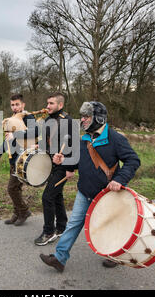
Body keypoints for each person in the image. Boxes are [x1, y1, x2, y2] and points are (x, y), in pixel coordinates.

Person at [39, 101, 141, 272]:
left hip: (107, 194)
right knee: (73, 224)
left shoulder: (115, 139)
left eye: (86, 116)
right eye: (82, 116)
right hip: (84, 191)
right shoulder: (85, 138)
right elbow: (79, 161)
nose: (83, 120)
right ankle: (59, 258)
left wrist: (120, 179)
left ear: (98, 118)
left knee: (109, 225)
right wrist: (64, 162)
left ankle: (115, 255)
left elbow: (133, 160)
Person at [34, 92, 75, 246]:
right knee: (56, 196)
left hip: (63, 166)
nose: (48, 106)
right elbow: (48, 142)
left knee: (47, 197)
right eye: (48, 103)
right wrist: (40, 146)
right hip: (51, 165)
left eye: (51, 103)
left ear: (60, 105)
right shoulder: (48, 120)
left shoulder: (68, 121)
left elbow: (73, 146)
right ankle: (62, 227)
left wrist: (70, 168)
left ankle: (49, 231)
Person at [0, 94, 38, 226]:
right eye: (12, 105)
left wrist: (16, 134)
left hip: (23, 158)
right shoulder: (12, 119)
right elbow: (8, 138)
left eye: (17, 104)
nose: (15, 107)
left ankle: (24, 211)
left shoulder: (28, 117)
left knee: (12, 188)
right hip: (13, 159)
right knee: (16, 188)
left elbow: (35, 132)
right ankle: (17, 213)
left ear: (23, 105)